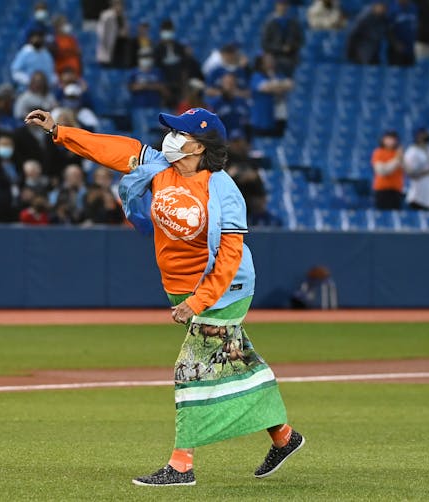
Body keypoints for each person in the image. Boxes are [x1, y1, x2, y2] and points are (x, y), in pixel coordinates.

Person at [25, 106, 304, 485]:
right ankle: (284, 436)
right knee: (237, 360)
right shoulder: (159, 168)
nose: (171, 137)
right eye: (171, 130)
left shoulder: (223, 190)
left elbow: (229, 256)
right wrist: (58, 130)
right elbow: (109, 148)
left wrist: (199, 301)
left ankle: (181, 466)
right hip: (181, 288)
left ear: (200, 146)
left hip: (225, 289)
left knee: (191, 369)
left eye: (180, 132)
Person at [250, 54, 294, 138]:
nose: (271, 62)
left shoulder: (278, 75)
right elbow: (265, 88)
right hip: (262, 119)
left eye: (272, 60)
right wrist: (280, 86)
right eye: (268, 61)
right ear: (261, 63)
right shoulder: (257, 76)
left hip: (278, 117)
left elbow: (290, 84)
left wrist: (274, 86)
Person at [128, 53, 167, 144]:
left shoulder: (157, 72)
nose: (145, 60)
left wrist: (145, 86)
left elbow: (162, 88)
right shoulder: (134, 72)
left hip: (155, 106)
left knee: (156, 132)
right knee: (142, 131)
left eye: (147, 57)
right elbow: (131, 87)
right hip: (139, 107)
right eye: (143, 57)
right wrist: (150, 86)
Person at [261, 0, 304, 76]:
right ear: (276, 6)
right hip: (274, 59)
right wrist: (281, 48)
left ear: (288, 6)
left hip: (292, 58)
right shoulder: (269, 23)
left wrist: (291, 46)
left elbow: (300, 40)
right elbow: (265, 44)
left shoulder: (293, 22)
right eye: (280, 4)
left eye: (285, 5)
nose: (282, 7)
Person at [205, 73, 251, 140]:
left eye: (232, 83)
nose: (229, 86)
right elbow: (209, 127)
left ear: (235, 85)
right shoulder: (214, 104)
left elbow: (248, 125)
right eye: (227, 83)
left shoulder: (242, 103)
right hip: (221, 141)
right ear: (222, 85)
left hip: (240, 140)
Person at [404, 127, 429, 210]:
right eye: (422, 134)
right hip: (417, 196)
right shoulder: (412, 152)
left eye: (426, 133)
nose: (426, 135)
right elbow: (411, 174)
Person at [371, 130, 405, 209]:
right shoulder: (378, 152)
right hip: (382, 190)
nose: (390, 141)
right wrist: (397, 159)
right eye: (388, 138)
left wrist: (401, 158)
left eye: (392, 139)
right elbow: (382, 171)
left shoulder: (398, 153)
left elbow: (408, 170)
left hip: (396, 190)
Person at [96, 0, 130, 68]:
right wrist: (118, 33)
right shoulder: (106, 16)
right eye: (117, 4)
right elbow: (102, 34)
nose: (119, 6)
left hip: (120, 49)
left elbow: (126, 32)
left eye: (121, 4)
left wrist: (125, 33)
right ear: (113, 5)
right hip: (109, 51)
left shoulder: (123, 16)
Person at [387, 0, 418, 66]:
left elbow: (416, 25)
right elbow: (388, 30)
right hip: (397, 50)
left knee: (410, 73)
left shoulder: (413, 7)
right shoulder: (392, 9)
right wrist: (395, 44)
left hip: (410, 49)